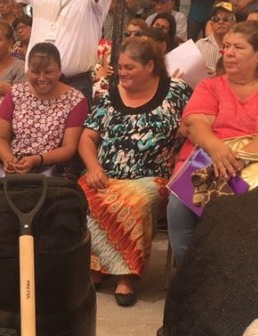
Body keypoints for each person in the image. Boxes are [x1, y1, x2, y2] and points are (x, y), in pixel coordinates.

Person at [166, 21, 258, 265]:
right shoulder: (210, 86)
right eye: (227, 46)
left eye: (238, 48)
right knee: (179, 206)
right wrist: (216, 149)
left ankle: (240, 280)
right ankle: (192, 278)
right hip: (207, 159)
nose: (228, 53)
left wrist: (239, 157)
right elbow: (194, 123)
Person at [77, 38, 191, 306]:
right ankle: (96, 268)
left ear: (150, 66)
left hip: (153, 177)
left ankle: (126, 276)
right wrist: (93, 167)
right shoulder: (108, 95)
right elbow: (87, 138)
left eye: (130, 67)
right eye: (120, 67)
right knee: (84, 194)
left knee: (134, 202)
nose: (122, 72)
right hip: (105, 172)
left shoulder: (176, 91)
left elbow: (195, 124)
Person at [0, 43, 88, 178]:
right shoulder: (16, 93)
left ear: (59, 71)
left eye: (48, 72)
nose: (42, 78)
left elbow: (69, 148)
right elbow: (0, 138)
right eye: (35, 72)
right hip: (12, 167)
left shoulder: (76, 100)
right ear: (28, 71)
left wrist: (36, 160)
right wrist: (8, 158)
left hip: (51, 171)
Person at [196, 1, 235, 76]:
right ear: (211, 24)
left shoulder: (238, 46)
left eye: (226, 19)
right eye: (216, 19)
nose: (220, 22)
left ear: (234, 23)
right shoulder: (199, 45)